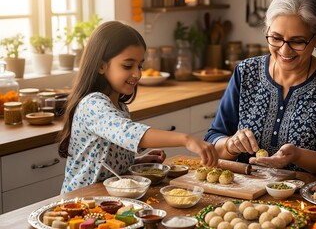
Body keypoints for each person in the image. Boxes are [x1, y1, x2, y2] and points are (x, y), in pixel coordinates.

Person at [204, 0, 316, 176]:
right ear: (267, 31)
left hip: (306, 199)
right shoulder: (246, 72)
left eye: (297, 41)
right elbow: (213, 139)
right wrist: (230, 145)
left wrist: (297, 156)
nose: (285, 50)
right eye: (276, 38)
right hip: (243, 195)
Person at [58, 21, 218, 193]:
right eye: (128, 66)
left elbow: (106, 162)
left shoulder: (120, 107)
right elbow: (128, 133)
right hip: (80, 202)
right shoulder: (92, 105)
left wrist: (137, 161)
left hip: (106, 200)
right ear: (101, 65)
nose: (137, 73)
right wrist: (186, 139)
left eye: (140, 65)